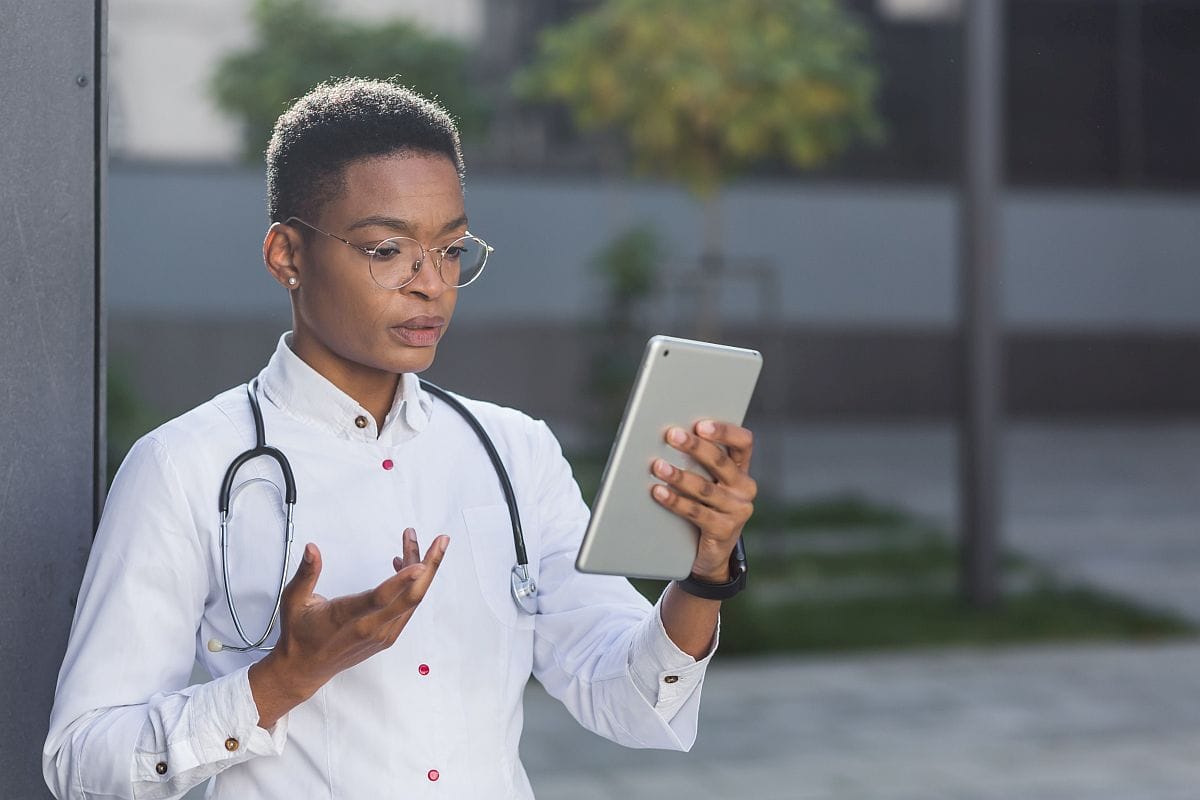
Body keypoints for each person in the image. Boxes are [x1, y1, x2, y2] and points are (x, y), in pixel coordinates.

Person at [43, 78, 758, 799]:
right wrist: (281, 679)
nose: (432, 285)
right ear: (286, 254)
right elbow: (82, 764)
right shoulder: (184, 467)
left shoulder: (513, 452)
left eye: (450, 249)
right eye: (388, 249)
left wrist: (702, 577)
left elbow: (631, 700)